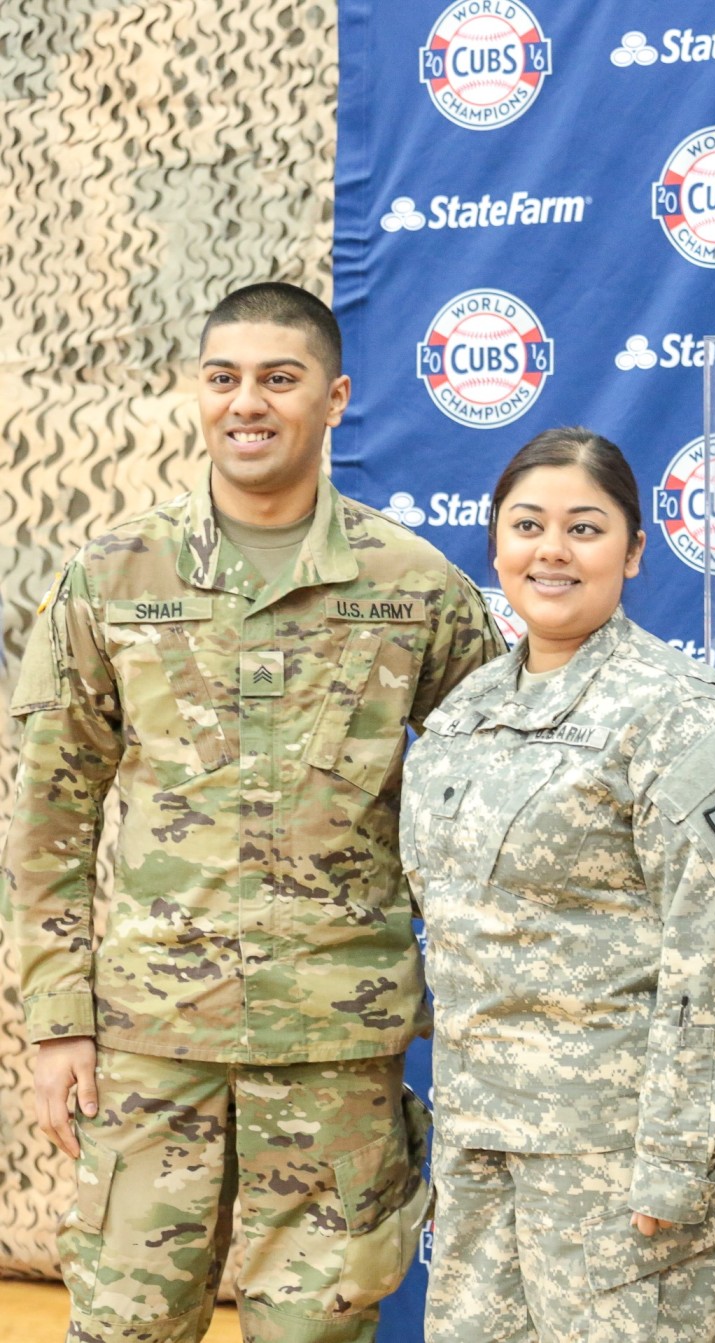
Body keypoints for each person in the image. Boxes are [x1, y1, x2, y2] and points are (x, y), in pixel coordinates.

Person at [2, 282, 505, 1342]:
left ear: (335, 398)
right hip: (149, 1042)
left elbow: (487, 805)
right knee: (126, 1328)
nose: (249, 402)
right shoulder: (113, 577)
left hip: (334, 1047)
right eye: (225, 377)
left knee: (315, 1331)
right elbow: (51, 812)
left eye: (280, 378)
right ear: (198, 391)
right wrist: (56, 1022)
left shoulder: (412, 586)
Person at [402, 428, 715, 1343]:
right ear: (495, 546)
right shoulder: (462, 715)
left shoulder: (682, 715)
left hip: (618, 1165)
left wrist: (674, 1163)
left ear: (635, 549)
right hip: (481, 1147)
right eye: (528, 525)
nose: (553, 551)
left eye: (585, 527)